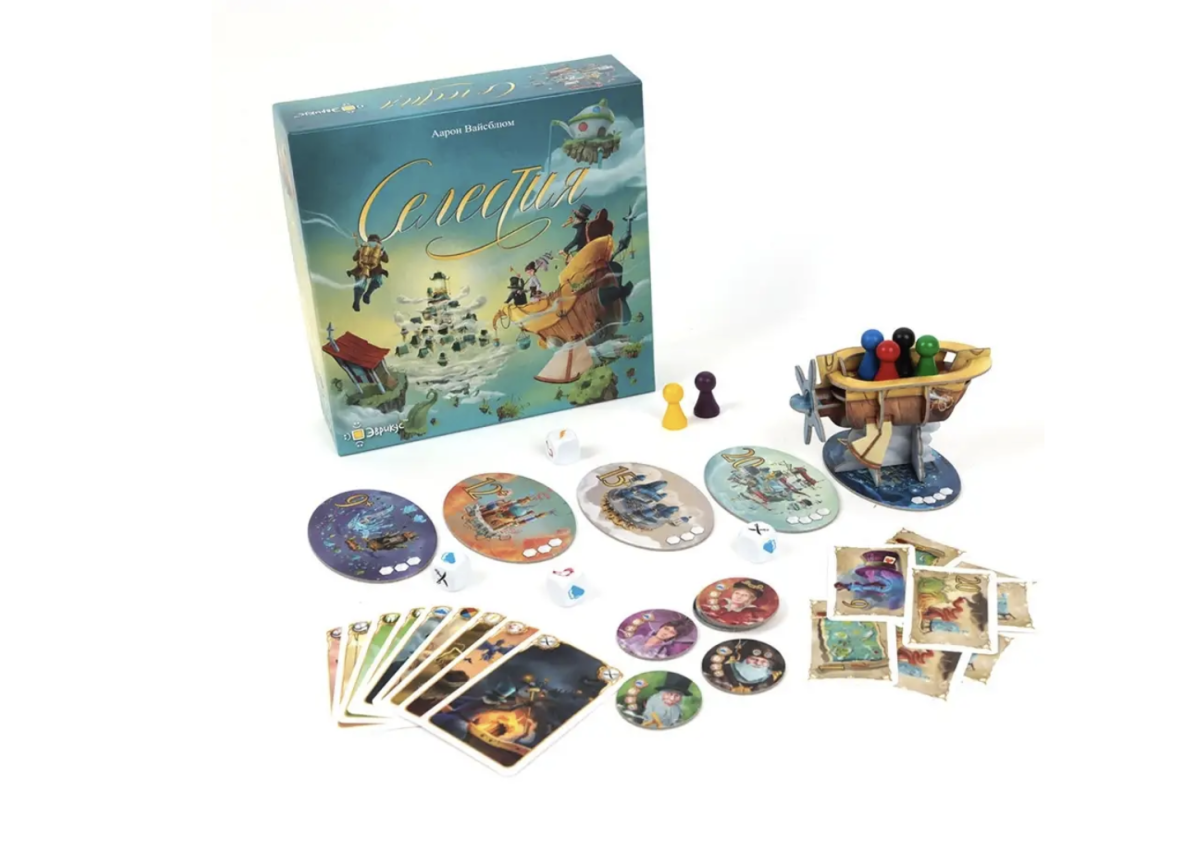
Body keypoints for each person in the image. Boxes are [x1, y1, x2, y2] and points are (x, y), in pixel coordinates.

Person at [346, 234, 389, 311]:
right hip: (362, 269)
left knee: (376, 281)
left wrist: (382, 253)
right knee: (361, 283)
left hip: (374, 269)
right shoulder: (363, 248)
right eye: (372, 241)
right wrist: (359, 252)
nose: (373, 243)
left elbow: (386, 260)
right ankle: (357, 302)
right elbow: (354, 258)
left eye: (375, 241)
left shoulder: (379, 250)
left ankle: (367, 294)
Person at [621, 618, 695, 659]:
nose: (665, 633)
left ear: (674, 636)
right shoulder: (639, 637)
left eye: (672, 632)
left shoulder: (662, 651)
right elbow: (622, 644)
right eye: (666, 628)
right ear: (661, 627)